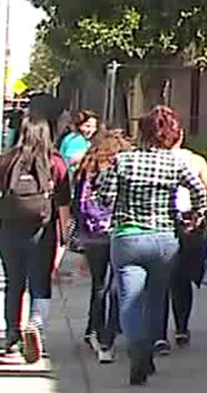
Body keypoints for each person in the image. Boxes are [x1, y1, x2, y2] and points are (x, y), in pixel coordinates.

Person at [96, 107, 207, 385]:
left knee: (129, 299)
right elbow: (199, 190)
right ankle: (149, 347)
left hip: (128, 237)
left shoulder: (123, 161)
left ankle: (136, 347)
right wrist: (196, 217)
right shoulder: (175, 163)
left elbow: (105, 198)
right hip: (163, 239)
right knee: (156, 297)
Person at [0, 116, 71, 364]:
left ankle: (11, 334)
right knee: (40, 282)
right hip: (42, 231)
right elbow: (63, 205)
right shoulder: (55, 163)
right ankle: (36, 324)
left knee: (14, 282)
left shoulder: (6, 160)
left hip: (8, 230)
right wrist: (65, 239)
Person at [70, 130, 132, 363]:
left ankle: (92, 327)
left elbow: (77, 203)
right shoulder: (119, 169)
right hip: (115, 231)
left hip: (92, 235)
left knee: (98, 284)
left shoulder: (87, 169)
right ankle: (111, 329)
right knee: (116, 283)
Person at [157, 141, 207, 352]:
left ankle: (159, 334)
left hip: (160, 219)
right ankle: (181, 328)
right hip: (188, 221)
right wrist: (204, 219)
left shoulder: (149, 159)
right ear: (179, 136)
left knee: (159, 281)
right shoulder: (195, 160)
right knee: (181, 280)